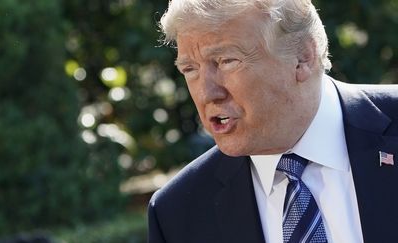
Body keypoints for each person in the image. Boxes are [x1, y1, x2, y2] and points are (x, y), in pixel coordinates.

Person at [148, 0, 398, 242]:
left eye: (226, 61)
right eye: (190, 69)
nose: (206, 93)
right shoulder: (176, 213)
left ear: (303, 57)